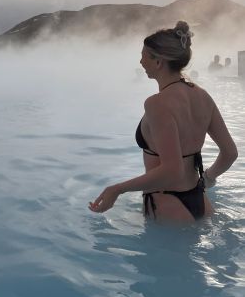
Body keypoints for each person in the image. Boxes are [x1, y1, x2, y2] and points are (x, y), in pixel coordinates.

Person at [89, 21, 238, 222]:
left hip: (167, 203)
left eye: (143, 56)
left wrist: (117, 189)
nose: (141, 62)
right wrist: (207, 180)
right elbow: (230, 153)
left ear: (159, 62)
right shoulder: (203, 96)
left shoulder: (157, 104)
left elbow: (172, 170)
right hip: (200, 201)